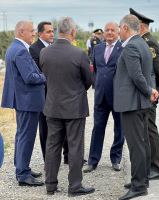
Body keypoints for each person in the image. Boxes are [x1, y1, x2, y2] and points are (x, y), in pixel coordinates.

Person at [39, 17, 95, 196]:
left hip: (53, 106)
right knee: (75, 147)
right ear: (72, 32)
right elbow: (88, 80)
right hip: (74, 108)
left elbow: (46, 77)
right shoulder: (79, 53)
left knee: (52, 146)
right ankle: (75, 186)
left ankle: (50, 185)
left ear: (57, 32)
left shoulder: (44, 53)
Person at [114, 14, 159, 200]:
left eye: (119, 28)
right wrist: (152, 89)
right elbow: (149, 72)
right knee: (143, 143)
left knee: (136, 146)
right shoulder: (143, 43)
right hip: (141, 102)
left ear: (125, 28)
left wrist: (149, 90)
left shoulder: (132, 46)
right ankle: (141, 180)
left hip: (133, 103)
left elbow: (137, 75)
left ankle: (139, 186)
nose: (118, 31)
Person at [1, 21, 46, 186]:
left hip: (22, 100)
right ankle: (23, 174)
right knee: (26, 137)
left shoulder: (13, 47)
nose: (34, 34)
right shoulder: (20, 50)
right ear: (21, 32)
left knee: (21, 136)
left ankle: (22, 167)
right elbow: (30, 77)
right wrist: (45, 77)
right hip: (27, 101)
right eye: (32, 31)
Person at [130, 8, 159, 180]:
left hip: (150, 92)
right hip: (148, 91)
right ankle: (151, 166)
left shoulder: (149, 42)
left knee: (151, 129)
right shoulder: (143, 41)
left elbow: (156, 68)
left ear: (141, 26)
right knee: (146, 129)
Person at [84, 22, 124, 173]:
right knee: (97, 128)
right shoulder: (98, 48)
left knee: (119, 129)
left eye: (112, 30)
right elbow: (96, 70)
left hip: (118, 97)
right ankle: (93, 160)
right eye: (107, 30)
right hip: (100, 96)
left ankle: (116, 159)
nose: (109, 32)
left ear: (118, 33)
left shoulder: (123, 49)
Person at [29, 21, 69, 164]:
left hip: (60, 93)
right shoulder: (34, 49)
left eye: (53, 31)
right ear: (40, 34)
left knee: (64, 124)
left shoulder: (55, 47)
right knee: (45, 128)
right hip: (45, 94)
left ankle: (68, 156)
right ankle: (49, 160)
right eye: (48, 32)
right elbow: (38, 72)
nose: (52, 34)